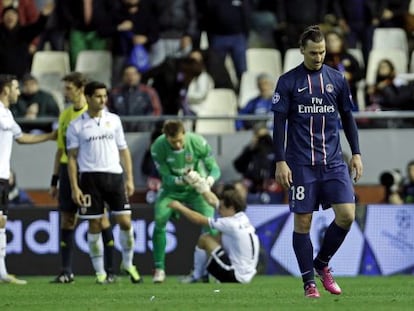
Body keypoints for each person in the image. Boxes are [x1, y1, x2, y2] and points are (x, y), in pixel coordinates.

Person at [272, 25, 363, 298]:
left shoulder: (337, 79)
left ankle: (321, 264)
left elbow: (348, 117)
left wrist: (356, 153)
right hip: (300, 164)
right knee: (303, 223)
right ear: (302, 51)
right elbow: (279, 126)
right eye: (313, 52)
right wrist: (280, 161)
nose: (319, 57)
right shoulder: (288, 82)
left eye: (322, 51)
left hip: (334, 161)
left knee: (347, 215)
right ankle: (309, 283)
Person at [66, 81, 142, 284]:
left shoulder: (114, 120)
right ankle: (99, 272)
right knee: (95, 224)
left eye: (105, 96)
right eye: (98, 96)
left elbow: (123, 150)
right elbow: (71, 158)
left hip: (115, 176)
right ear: (88, 98)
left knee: (125, 222)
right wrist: (75, 187)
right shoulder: (76, 125)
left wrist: (130, 178)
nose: (103, 100)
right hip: (90, 178)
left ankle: (128, 263)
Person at [49, 72, 115, 284]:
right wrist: (54, 179)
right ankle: (66, 271)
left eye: (68, 88)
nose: (64, 92)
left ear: (80, 89)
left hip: (90, 173)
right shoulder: (65, 115)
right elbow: (61, 150)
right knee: (67, 219)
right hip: (68, 171)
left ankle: (110, 270)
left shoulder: (94, 114)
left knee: (100, 218)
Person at [0, 74, 55, 284]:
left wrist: (49, 137)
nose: (19, 92)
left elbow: (22, 138)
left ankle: (2, 272)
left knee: (2, 222)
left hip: (3, 176)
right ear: (6, 89)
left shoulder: (7, 114)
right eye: (15, 88)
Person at [150, 119, 221, 283]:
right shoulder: (157, 147)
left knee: (211, 225)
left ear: (184, 133)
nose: (177, 145)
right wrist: (182, 179)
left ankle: (213, 269)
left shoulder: (197, 142)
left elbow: (215, 168)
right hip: (171, 192)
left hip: (196, 190)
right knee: (160, 219)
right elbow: (166, 178)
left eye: (180, 140)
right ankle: (159, 269)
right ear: (165, 137)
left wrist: (208, 181)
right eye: (173, 142)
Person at [168, 187, 259, 284]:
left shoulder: (230, 224)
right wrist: (200, 184)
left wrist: (179, 207)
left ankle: (196, 276)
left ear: (231, 208)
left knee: (205, 239)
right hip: (246, 275)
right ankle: (205, 274)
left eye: (221, 208)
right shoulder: (242, 217)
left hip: (235, 276)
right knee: (218, 237)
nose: (219, 211)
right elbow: (212, 200)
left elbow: (198, 219)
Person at [108, 64, 162, 132]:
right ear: (123, 77)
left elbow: (156, 111)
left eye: (133, 74)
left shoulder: (149, 92)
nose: (131, 77)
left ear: (139, 76)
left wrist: (145, 123)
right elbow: (108, 111)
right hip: (120, 131)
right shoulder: (115, 93)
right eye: (127, 74)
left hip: (144, 132)